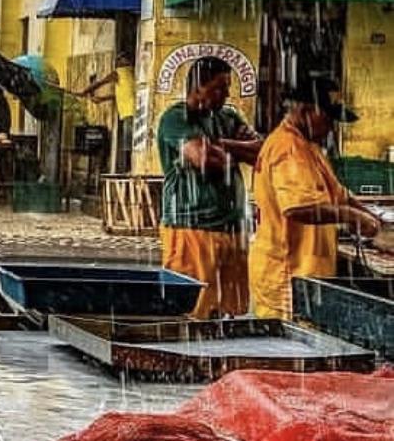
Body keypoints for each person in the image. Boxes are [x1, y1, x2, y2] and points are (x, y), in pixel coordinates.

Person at [248, 76, 380, 319]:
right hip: (288, 275)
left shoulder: (309, 147)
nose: (331, 126)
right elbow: (298, 208)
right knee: (290, 350)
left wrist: (376, 222)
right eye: (328, 118)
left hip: (307, 277)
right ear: (304, 110)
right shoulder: (288, 148)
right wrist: (351, 217)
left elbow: (339, 195)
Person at [155, 56, 262, 318]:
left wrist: (222, 145)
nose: (226, 94)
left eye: (227, 87)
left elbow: (262, 153)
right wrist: (233, 149)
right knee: (190, 308)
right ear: (198, 87)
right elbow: (206, 159)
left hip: (233, 227)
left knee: (230, 311)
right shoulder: (175, 118)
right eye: (220, 87)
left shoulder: (228, 116)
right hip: (191, 228)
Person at [83, 52, 136, 171]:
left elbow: (100, 82)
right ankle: (129, 166)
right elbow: (121, 93)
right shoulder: (132, 72)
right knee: (130, 140)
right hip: (131, 110)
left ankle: (129, 167)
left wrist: (85, 91)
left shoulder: (119, 72)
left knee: (128, 141)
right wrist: (102, 99)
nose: (118, 63)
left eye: (119, 60)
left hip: (129, 111)